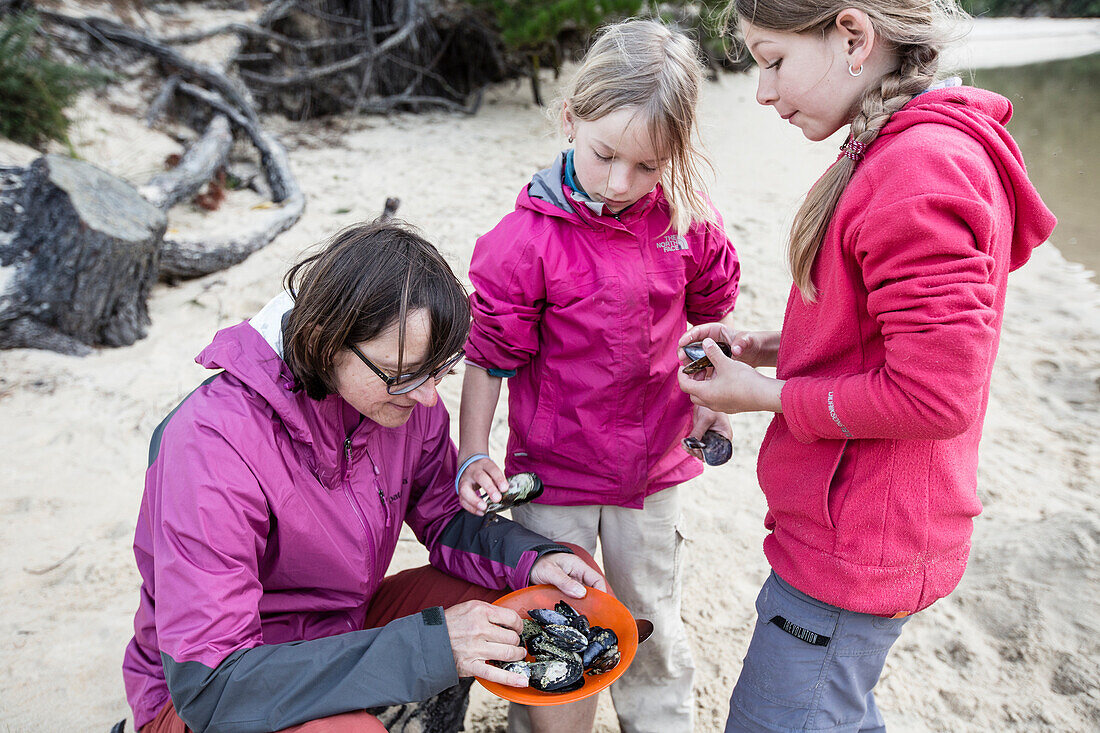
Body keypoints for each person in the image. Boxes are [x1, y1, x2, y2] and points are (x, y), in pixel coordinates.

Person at [679, 2, 1058, 731]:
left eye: (773, 61)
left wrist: (766, 394)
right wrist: (774, 347)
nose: (762, 92)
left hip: (858, 544)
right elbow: (884, 337)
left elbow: (934, 395)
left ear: (853, 36)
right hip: (858, 528)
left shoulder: (918, 167)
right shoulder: (901, 147)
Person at [121, 220, 608, 733]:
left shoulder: (400, 400)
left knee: (567, 595)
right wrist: (432, 647)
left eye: (440, 369)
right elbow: (213, 687)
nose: (426, 396)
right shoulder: (212, 443)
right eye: (402, 375)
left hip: (346, 629)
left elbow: (445, 516)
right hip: (225, 688)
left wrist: (532, 559)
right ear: (327, 340)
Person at [456, 19, 741, 733]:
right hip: (554, 476)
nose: (621, 183)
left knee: (649, 616)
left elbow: (709, 328)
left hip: (655, 467)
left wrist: (716, 396)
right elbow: (490, 355)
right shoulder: (526, 241)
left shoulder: (686, 223)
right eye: (605, 155)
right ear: (570, 120)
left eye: (648, 167)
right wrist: (473, 451)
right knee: (560, 622)